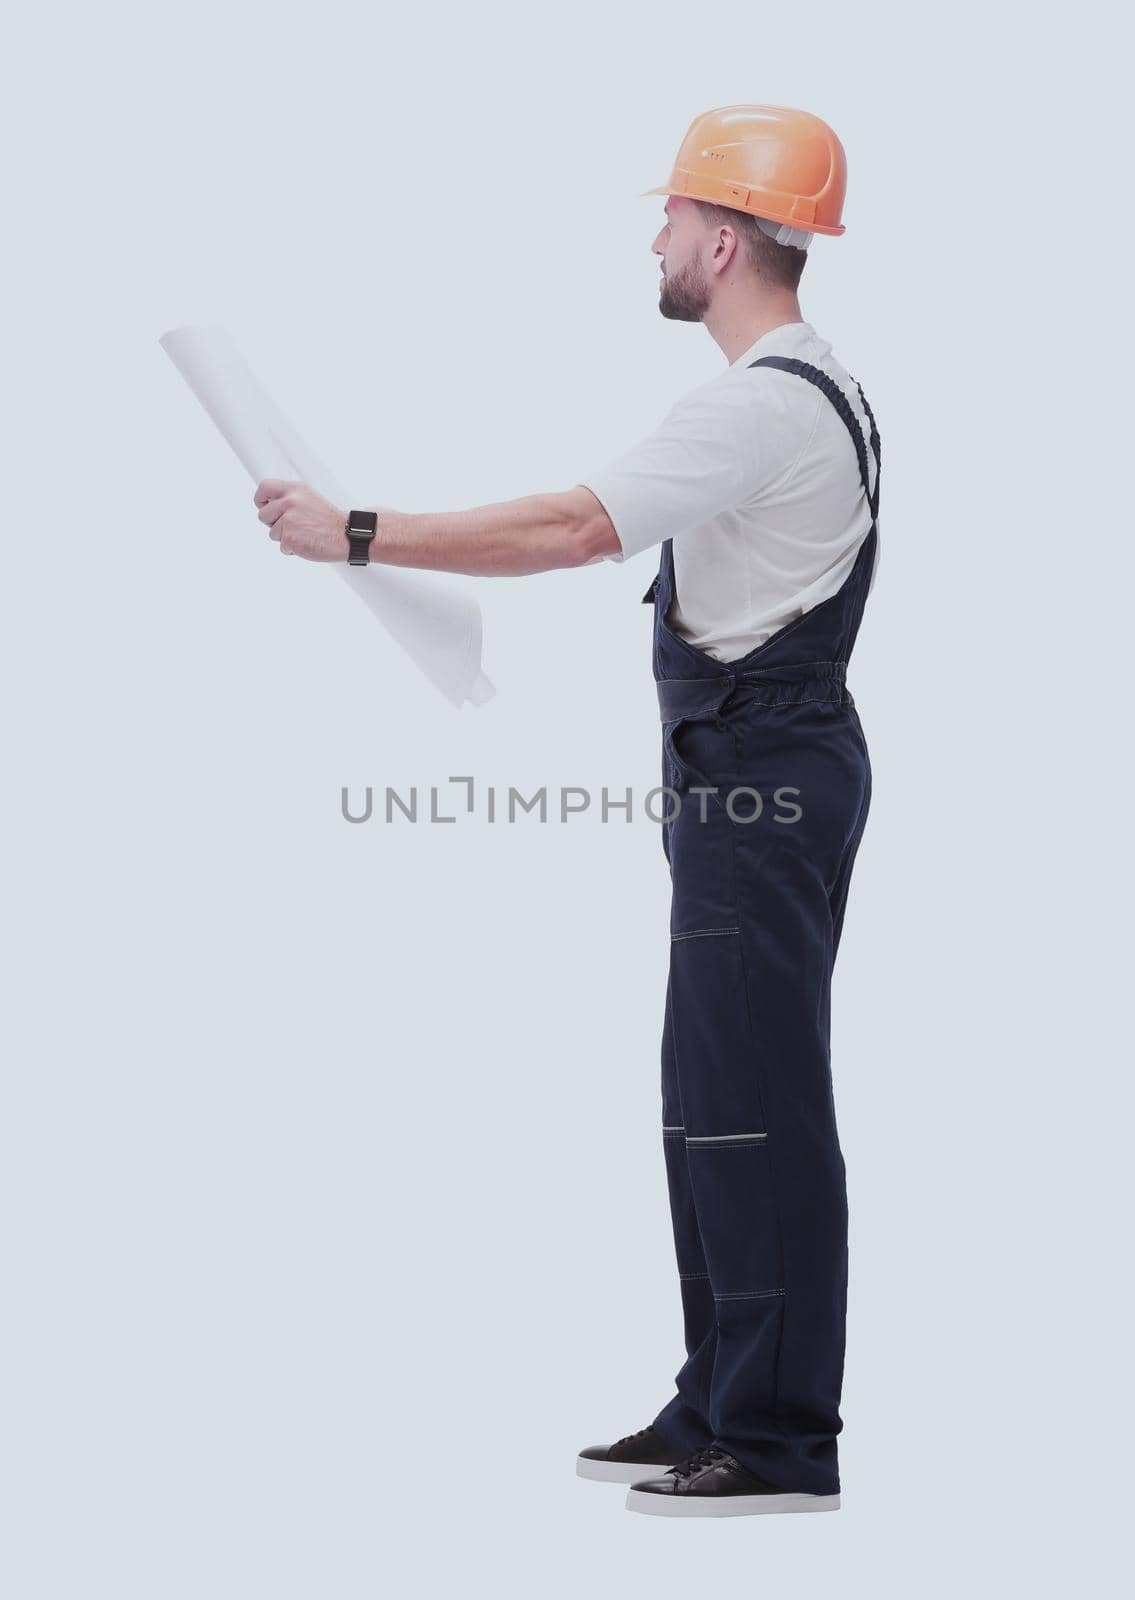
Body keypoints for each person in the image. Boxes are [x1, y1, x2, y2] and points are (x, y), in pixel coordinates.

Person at [253, 104, 879, 1519]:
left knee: (757, 1103)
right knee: (707, 1098)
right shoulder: (808, 386)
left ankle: (780, 1437)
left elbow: (571, 527)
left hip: (762, 783)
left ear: (723, 240)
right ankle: (720, 1394)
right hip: (753, 774)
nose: (652, 235)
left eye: (670, 215)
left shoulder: (759, 406)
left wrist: (354, 532)